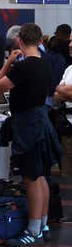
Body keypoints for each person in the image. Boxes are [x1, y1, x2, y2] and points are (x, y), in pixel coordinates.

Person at [0, 23, 61, 246]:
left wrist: (8, 62)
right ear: (40, 41)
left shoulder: (23, 67)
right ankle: (42, 226)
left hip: (27, 126)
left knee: (30, 179)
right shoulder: (46, 65)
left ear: (20, 42)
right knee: (41, 176)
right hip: (42, 122)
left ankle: (33, 230)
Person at [55, 38, 72, 179]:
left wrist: (62, 90)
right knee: (67, 178)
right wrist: (62, 90)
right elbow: (56, 96)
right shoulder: (69, 69)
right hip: (67, 131)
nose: (70, 44)